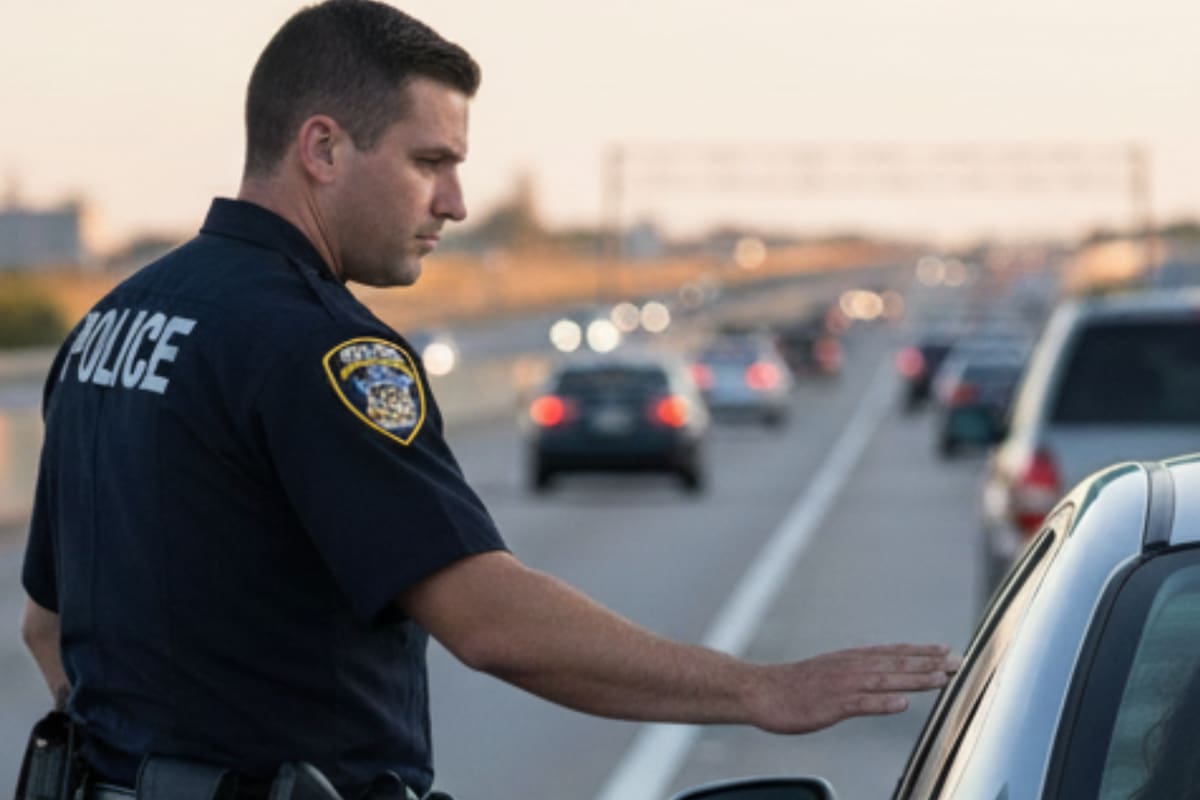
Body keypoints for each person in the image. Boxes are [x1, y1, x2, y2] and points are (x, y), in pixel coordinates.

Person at [19, 2, 959, 798]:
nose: (457, 202)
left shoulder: (113, 321)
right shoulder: (316, 345)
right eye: (430, 162)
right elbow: (489, 620)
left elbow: (48, 624)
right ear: (322, 147)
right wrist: (757, 692)